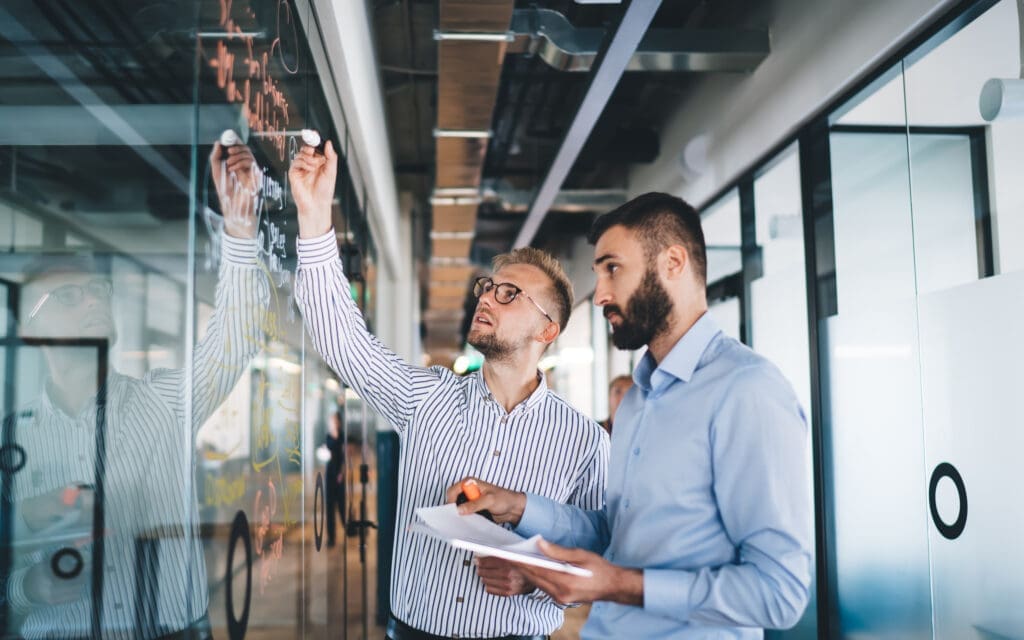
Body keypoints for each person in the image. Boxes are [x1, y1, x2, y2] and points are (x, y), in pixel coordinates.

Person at [452, 192, 814, 638]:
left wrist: (621, 585)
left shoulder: (747, 391)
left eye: (613, 268)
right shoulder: (639, 399)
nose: (601, 293)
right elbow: (616, 532)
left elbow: (780, 592)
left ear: (673, 263)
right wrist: (518, 506)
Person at [288, 141, 609, 639]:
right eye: (487, 287)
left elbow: (598, 551)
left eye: (509, 295)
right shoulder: (428, 398)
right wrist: (313, 217)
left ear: (547, 330)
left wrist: (534, 578)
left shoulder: (586, 442)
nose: (487, 298)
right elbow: (343, 340)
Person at [3, 141, 269, 639]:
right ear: (31, 331)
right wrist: (29, 589)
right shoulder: (11, 441)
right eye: (68, 295)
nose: (93, 300)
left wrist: (239, 224)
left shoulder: (162, 403)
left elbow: (236, 334)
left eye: (97, 290)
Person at [324, 411, 346, 547]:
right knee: (330, 507)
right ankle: (331, 538)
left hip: (339, 475)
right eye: (331, 420)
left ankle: (348, 528)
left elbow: (343, 457)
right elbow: (326, 453)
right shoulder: (328, 436)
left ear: (338, 421)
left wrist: (342, 473)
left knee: (342, 506)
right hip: (330, 474)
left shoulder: (342, 436)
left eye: (334, 420)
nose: (333, 422)